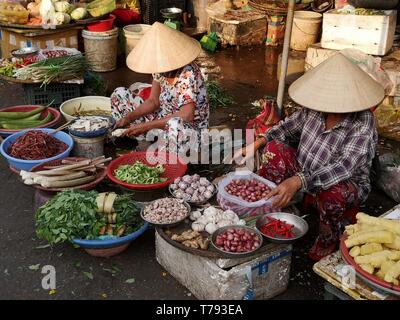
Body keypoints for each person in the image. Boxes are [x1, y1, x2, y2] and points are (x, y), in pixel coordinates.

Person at [233, 53, 385, 261]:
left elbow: (344, 167)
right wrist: (256, 144)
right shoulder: (315, 108)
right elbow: (287, 128)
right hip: (305, 169)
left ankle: (327, 238)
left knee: (333, 192)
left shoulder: (363, 121)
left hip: (344, 182)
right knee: (274, 149)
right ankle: (270, 205)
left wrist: (298, 181)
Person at [111, 22, 209, 151]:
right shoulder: (159, 67)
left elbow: (186, 116)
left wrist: (146, 126)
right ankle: (136, 139)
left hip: (188, 130)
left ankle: (171, 154)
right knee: (120, 95)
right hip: (162, 119)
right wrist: (129, 117)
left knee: (174, 124)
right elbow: (153, 101)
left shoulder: (188, 73)